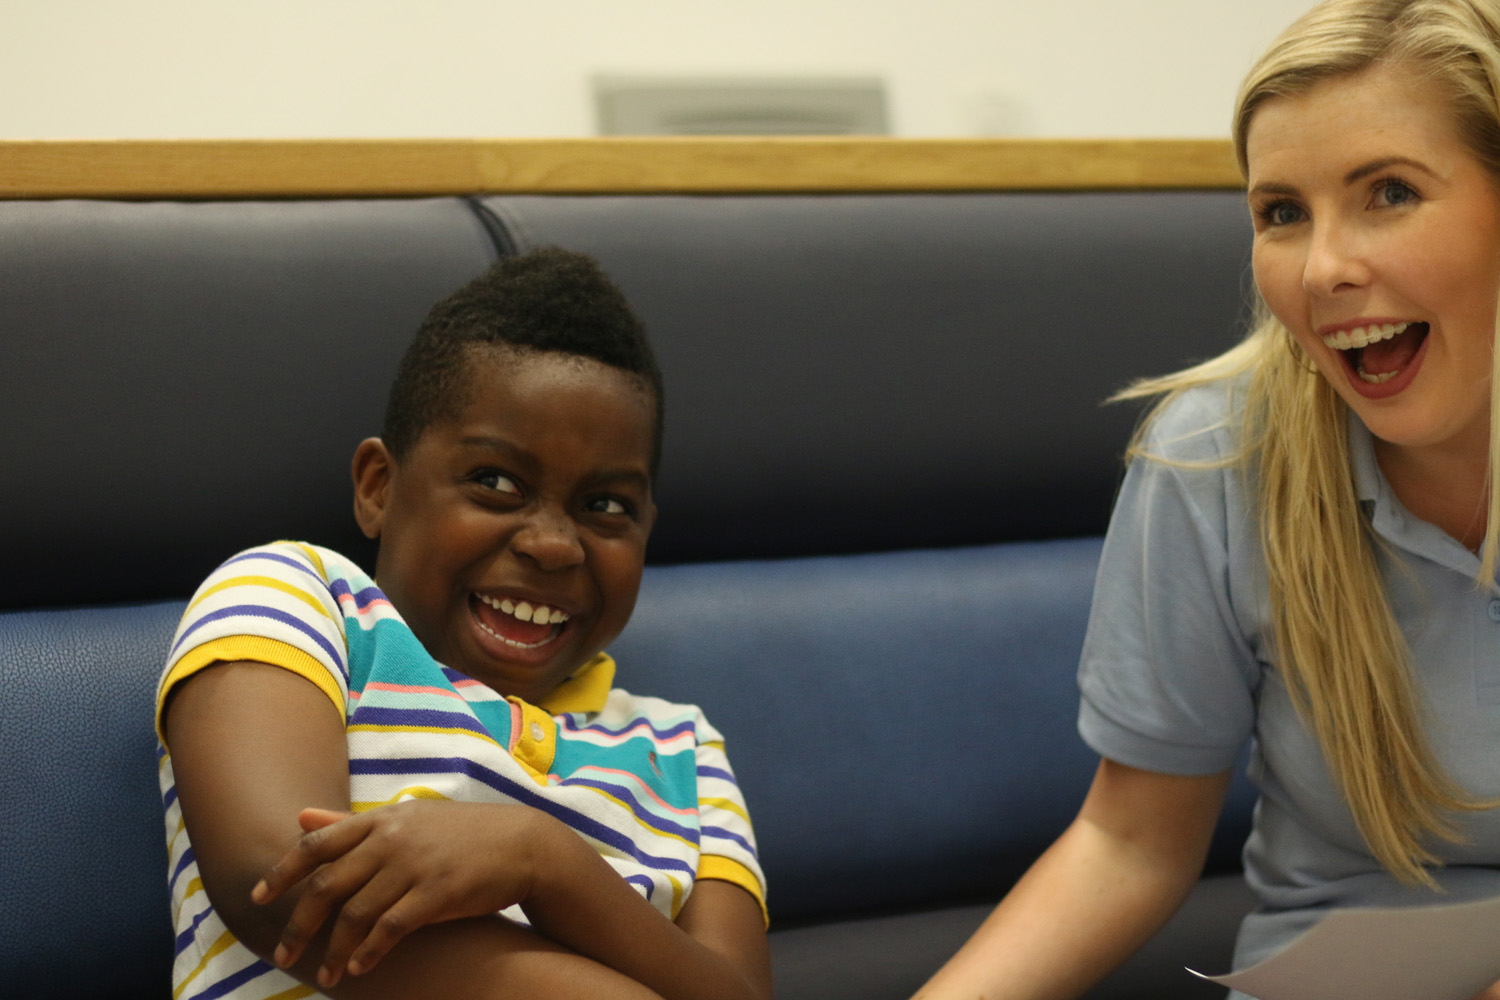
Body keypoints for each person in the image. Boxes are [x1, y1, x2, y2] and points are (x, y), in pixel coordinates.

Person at [913, 1, 1500, 998]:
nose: (1324, 269)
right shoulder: (1218, 457)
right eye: (1281, 213)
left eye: (1390, 192)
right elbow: (1129, 843)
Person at [156, 247, 771, 1000]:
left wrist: (546, 863)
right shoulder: (299, 597)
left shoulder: (684, 750)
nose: (552, 543)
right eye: (495, 482)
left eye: (606, 506)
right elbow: (282, 879)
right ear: (379, 487)